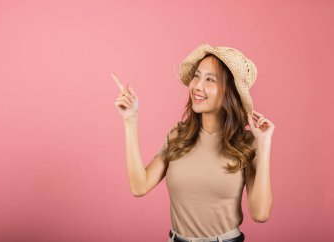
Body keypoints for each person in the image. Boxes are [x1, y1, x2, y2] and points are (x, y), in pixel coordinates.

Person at [112, 43, 275, 242]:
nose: (197, 86)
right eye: (196, 76)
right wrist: (130, 120)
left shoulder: (247, 143)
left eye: (210, 80)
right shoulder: (177, 136)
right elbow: (139, 186)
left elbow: (260, 214)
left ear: (229, 92)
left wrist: (264, 146)